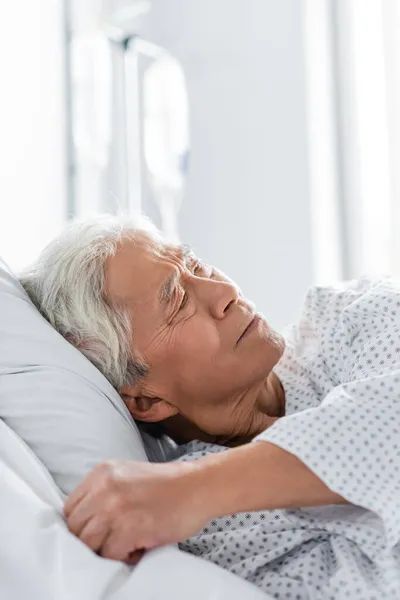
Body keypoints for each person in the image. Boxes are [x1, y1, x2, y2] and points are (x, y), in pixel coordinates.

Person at [20, 214, 400, 598]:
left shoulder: (348, 315)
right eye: (179, 301)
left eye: (197, 265)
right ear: (146, 399)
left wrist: (196, 490)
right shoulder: (209, 533)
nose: (224, 293)